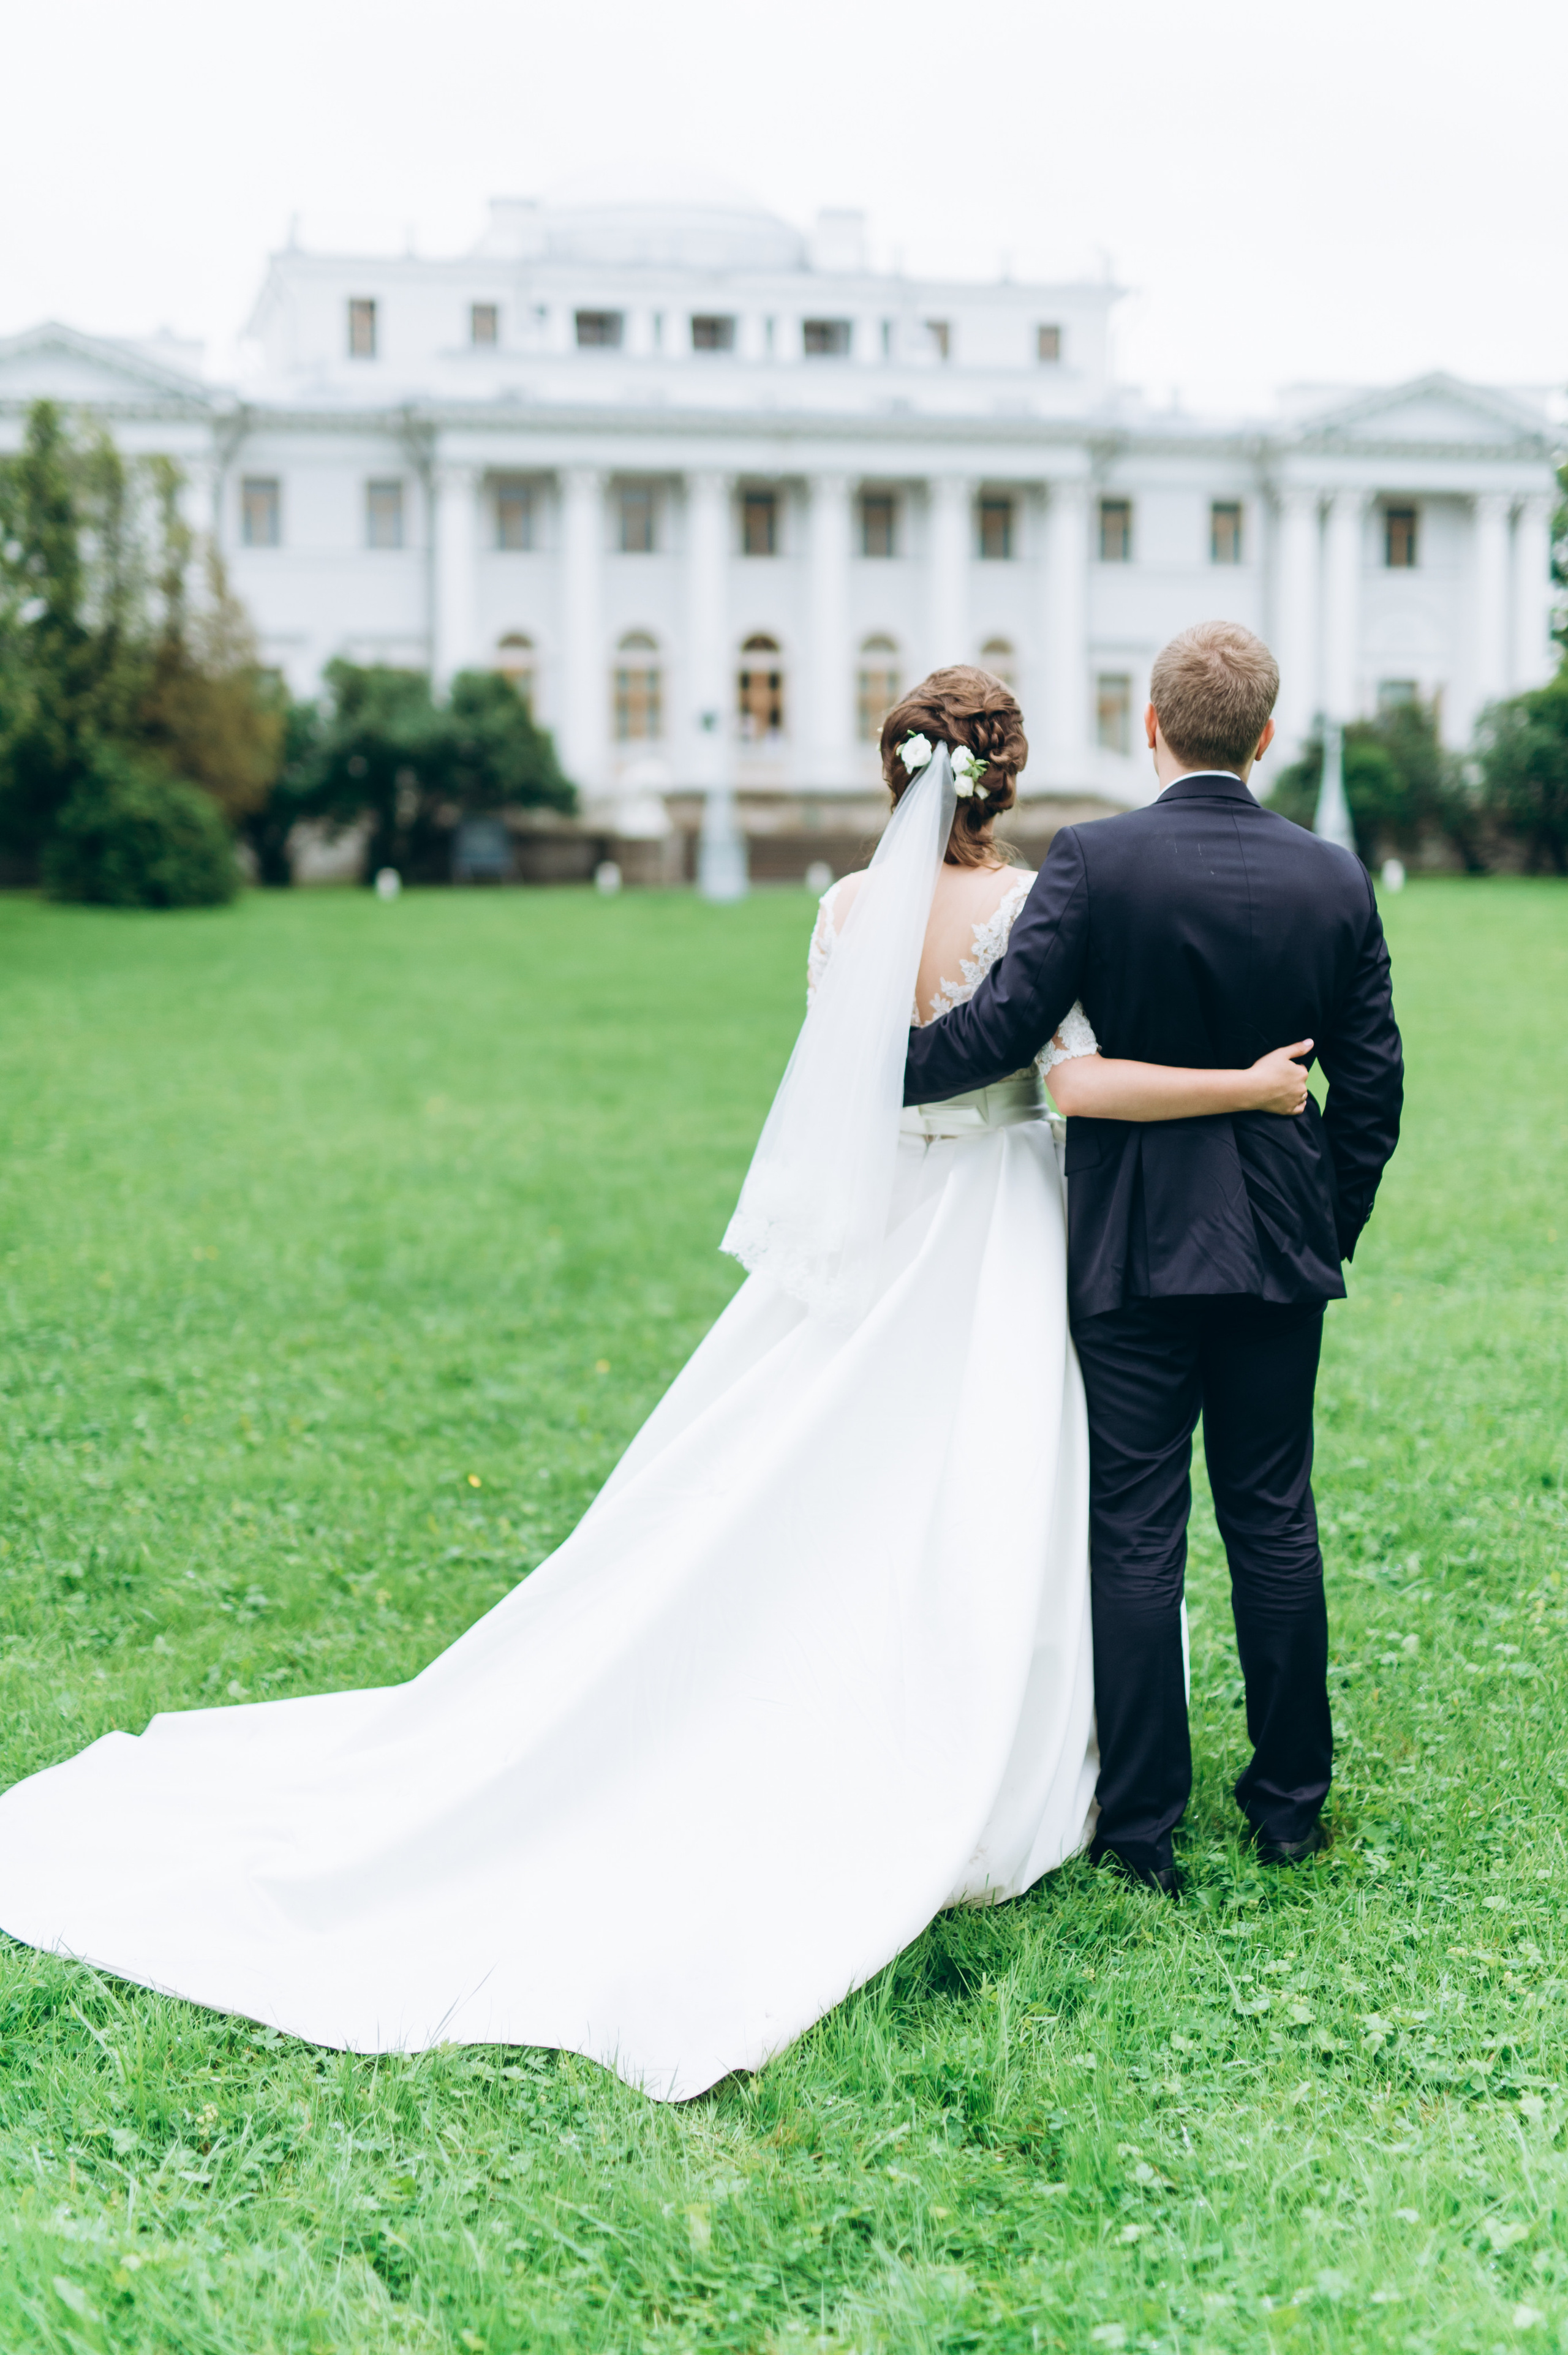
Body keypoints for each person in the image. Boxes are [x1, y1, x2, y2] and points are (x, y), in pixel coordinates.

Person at [0, 665, 1317, 2101]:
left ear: (899, 770)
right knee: (1011, 1480)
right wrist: (1242, 1087)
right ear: (1005, 778)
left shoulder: (840, 912)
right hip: (1001, 1221)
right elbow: (1059, 1076)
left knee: (812, 1468)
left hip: (883, 1219)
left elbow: (852, 1069)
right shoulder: (1024, 908)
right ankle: (1019, 1742)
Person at [903, 625, 1404, 1896]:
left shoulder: (1096, 862)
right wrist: (1317, 1223)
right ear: (1266, 736)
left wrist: (862, 1067)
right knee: (1273, 1520)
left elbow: (1004, 1028)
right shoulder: (1332, 878)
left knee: (1135, 1533)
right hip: (1274, 1255)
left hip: (1126, 1247)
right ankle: (1288, 1809)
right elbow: (1374, 1090)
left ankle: (1140, 1833)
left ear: (1149, 724)